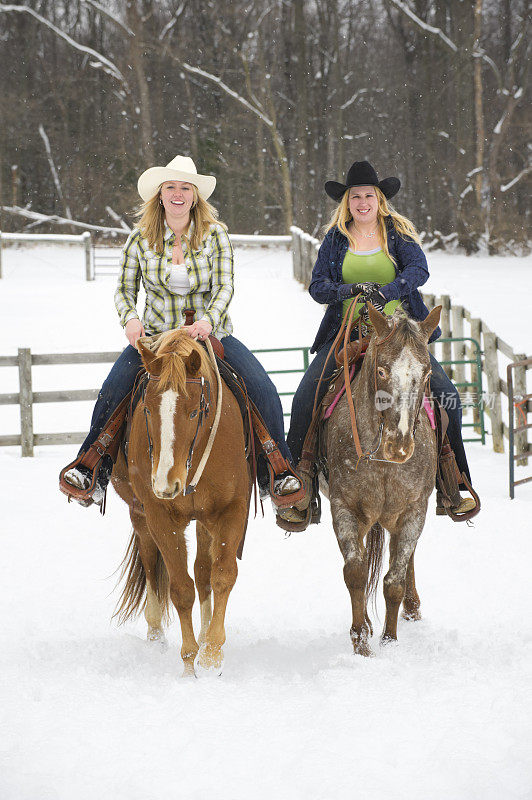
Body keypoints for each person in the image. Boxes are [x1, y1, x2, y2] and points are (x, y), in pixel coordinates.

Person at [60, 155, 301, 508]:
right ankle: (92, 467)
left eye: (185, 187)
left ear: (195, 195)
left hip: (208, 336)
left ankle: (276, 471)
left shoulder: (216, 235)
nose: (177, 194)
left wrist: (208, 321)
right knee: (113, 389)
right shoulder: (140, 238)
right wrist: (129, 320)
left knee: (262, 387)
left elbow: (225, 287)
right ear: (159, 195)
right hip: (156, 340)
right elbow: (125, 290)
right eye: (170, 187)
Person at [280, 159, 476, 526]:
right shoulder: (336, 238)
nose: (362, 202)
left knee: (447, 395)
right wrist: (350, 289)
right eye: (355, 196)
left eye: (368, 195)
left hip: (399, 334)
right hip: (349, 332)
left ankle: (454, 482)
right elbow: (318, 286)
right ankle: (301, 483)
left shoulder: (397, 233)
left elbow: (419, 270)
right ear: (347, 202)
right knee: (306, 395)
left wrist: (388, 290)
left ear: (379, 198)